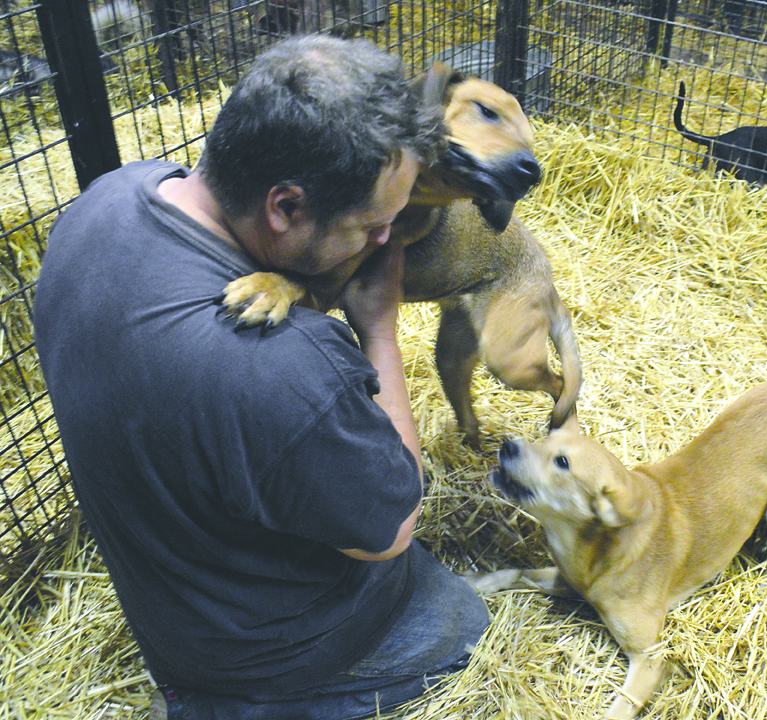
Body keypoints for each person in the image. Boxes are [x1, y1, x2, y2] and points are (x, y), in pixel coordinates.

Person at [33, 35, 489, 719]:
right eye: (373, 224)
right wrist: (380, 330)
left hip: (169, 597)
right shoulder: (279, 365)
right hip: (264, 655)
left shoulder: (107, 197)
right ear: (284, 208)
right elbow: (392, 527)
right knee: (461, 617)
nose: (384, 244)